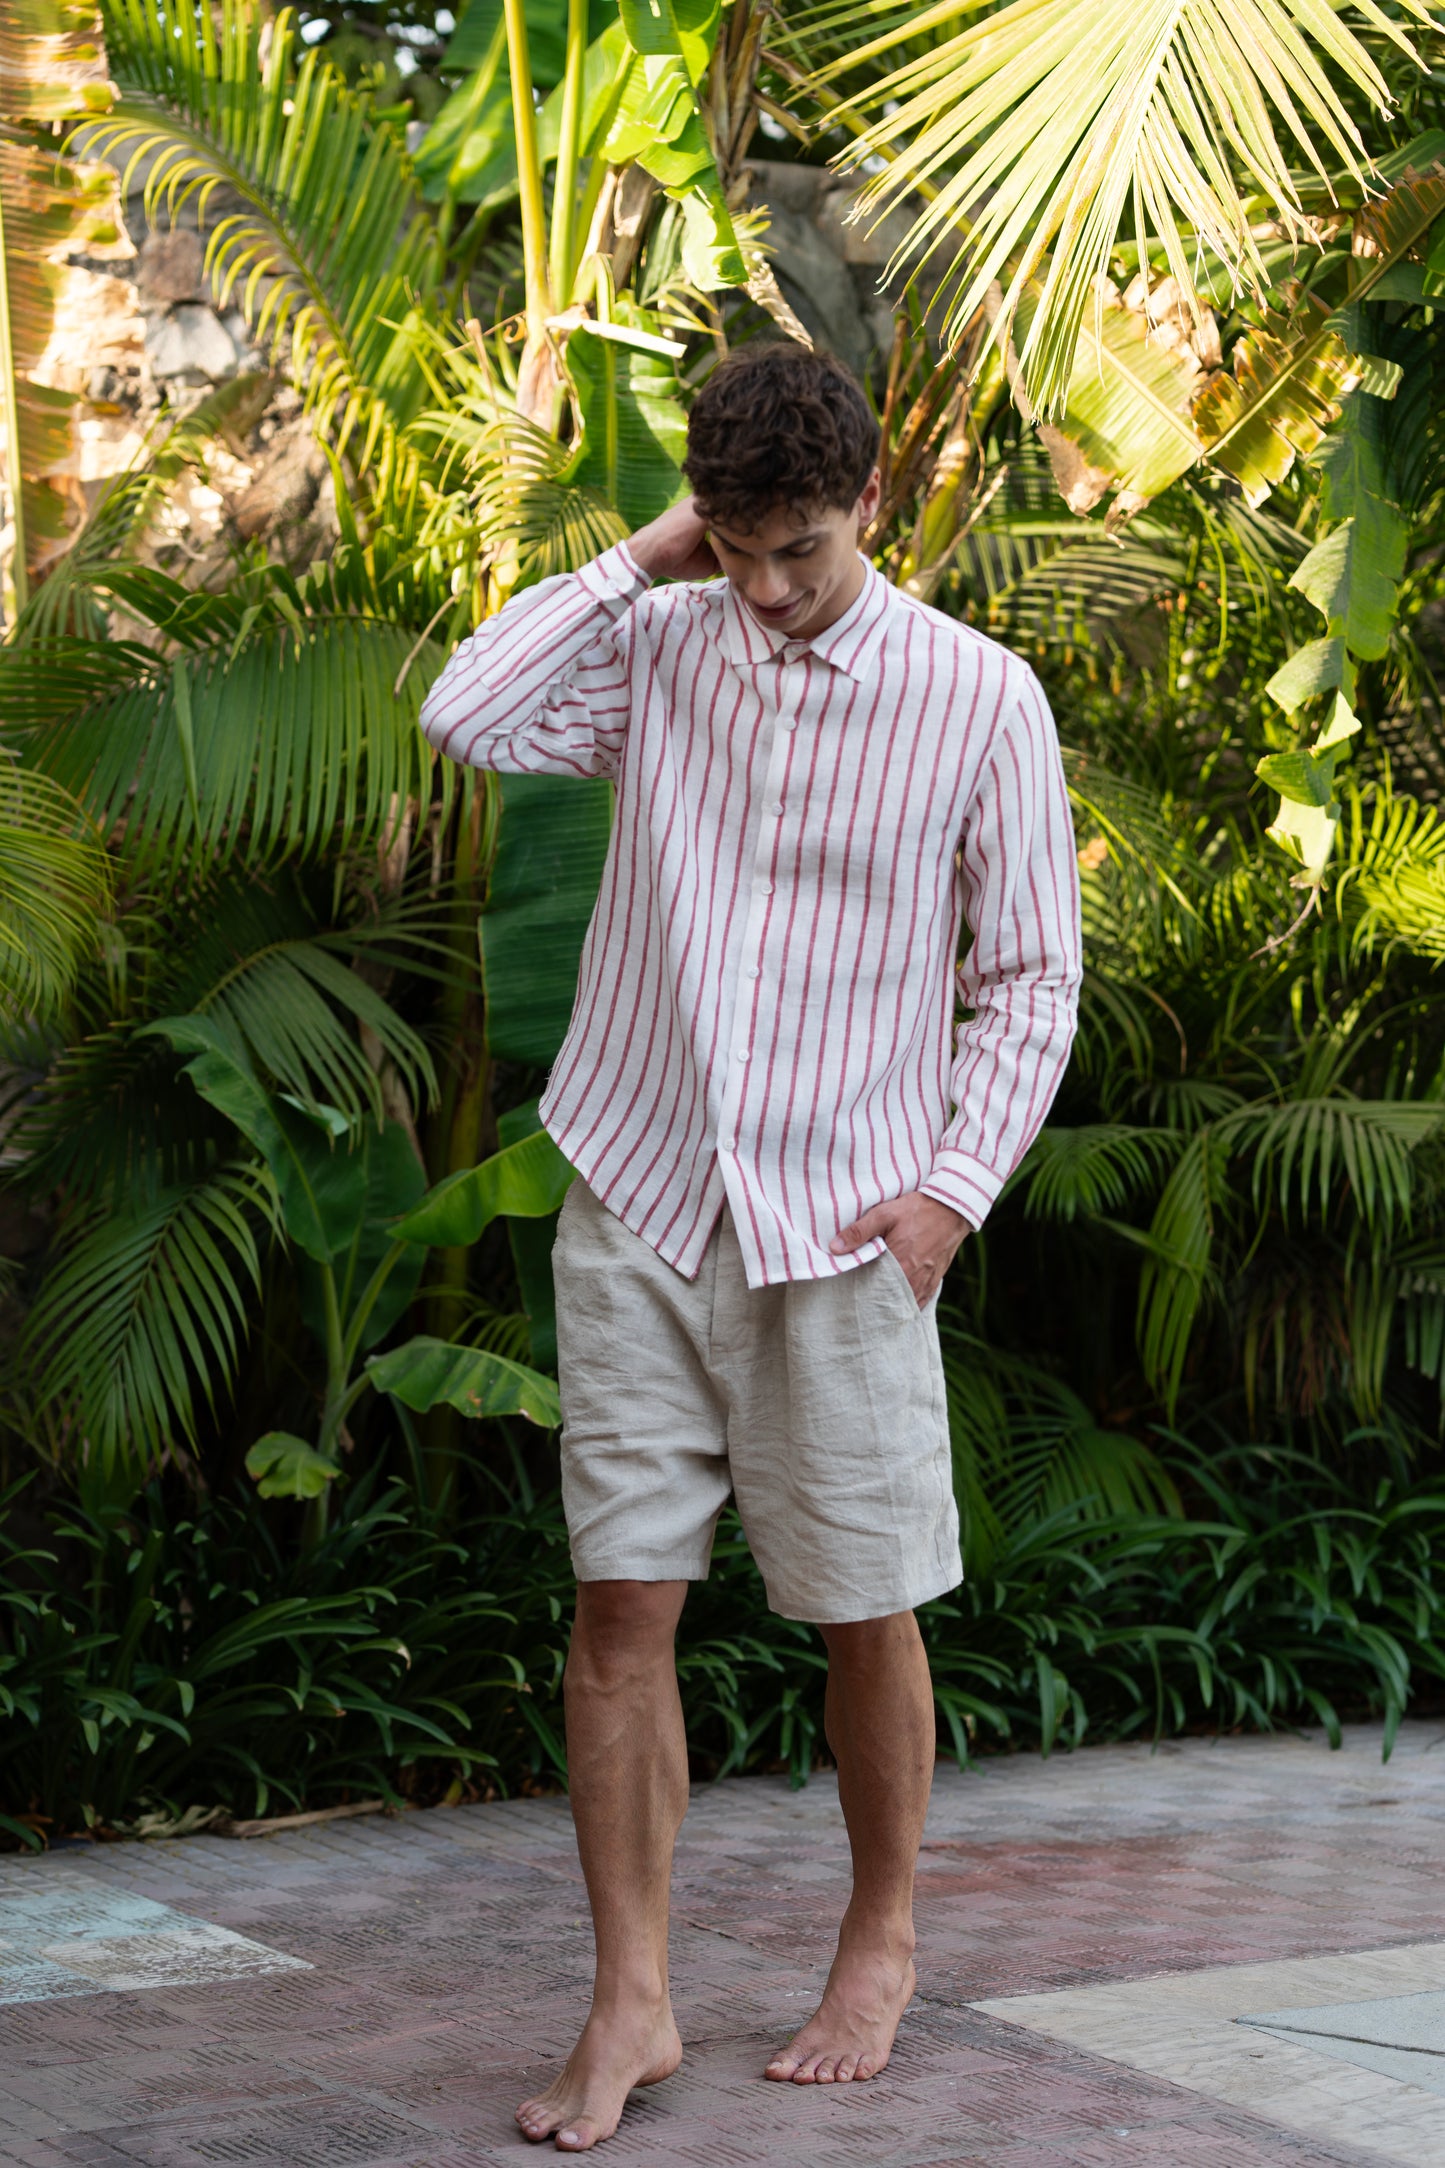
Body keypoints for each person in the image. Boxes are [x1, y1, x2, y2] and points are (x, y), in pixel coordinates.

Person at [419, 343, 1081, 2152]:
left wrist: (948, 1195)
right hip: (641, 1188)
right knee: (619, 1604)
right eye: (735, 548)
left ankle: (878, 1943)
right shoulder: (657, 644)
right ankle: (630, 1995)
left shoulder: (977, 697)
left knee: (863, 1605)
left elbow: (1030, 978)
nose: (768, 588)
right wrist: (647, 555)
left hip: (847, 1225)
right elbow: (466, 713)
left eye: (799, 549)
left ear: (869, 502)